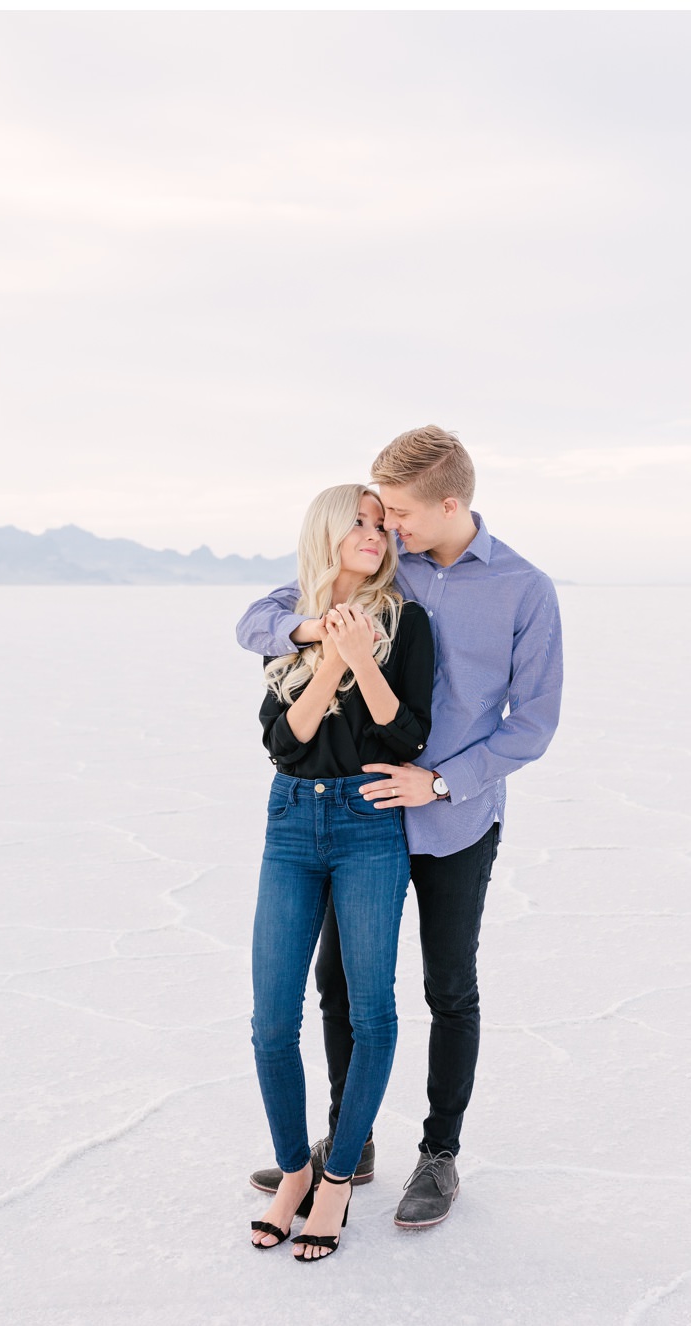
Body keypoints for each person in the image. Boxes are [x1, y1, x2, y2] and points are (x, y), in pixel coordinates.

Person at [240, 425, 563, 1230]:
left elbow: (535, 724)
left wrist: (442, 779)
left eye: (400, 516)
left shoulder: (525, 588)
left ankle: (440, 1153)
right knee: (341, 986)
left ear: (451, 503)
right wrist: (313, 634)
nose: (387, 529)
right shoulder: (384, 564)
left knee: (448, 987)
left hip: (454, 819)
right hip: (362, 823)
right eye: (376, 516)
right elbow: (261, 619)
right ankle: (355, 1138)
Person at [246, 484, 433, 1261]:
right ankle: (294, 1168)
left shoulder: (406, 621)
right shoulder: (289, 620)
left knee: (372, 1012)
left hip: (368, 823)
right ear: (327, 531)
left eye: (381, 524)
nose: (373, 534)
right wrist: (328, 656)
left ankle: (338, 1178)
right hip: (292, 818)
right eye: (357, 522)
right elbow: (283, 742)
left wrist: (364, 657)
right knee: (271, 1020)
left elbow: (409, 733)